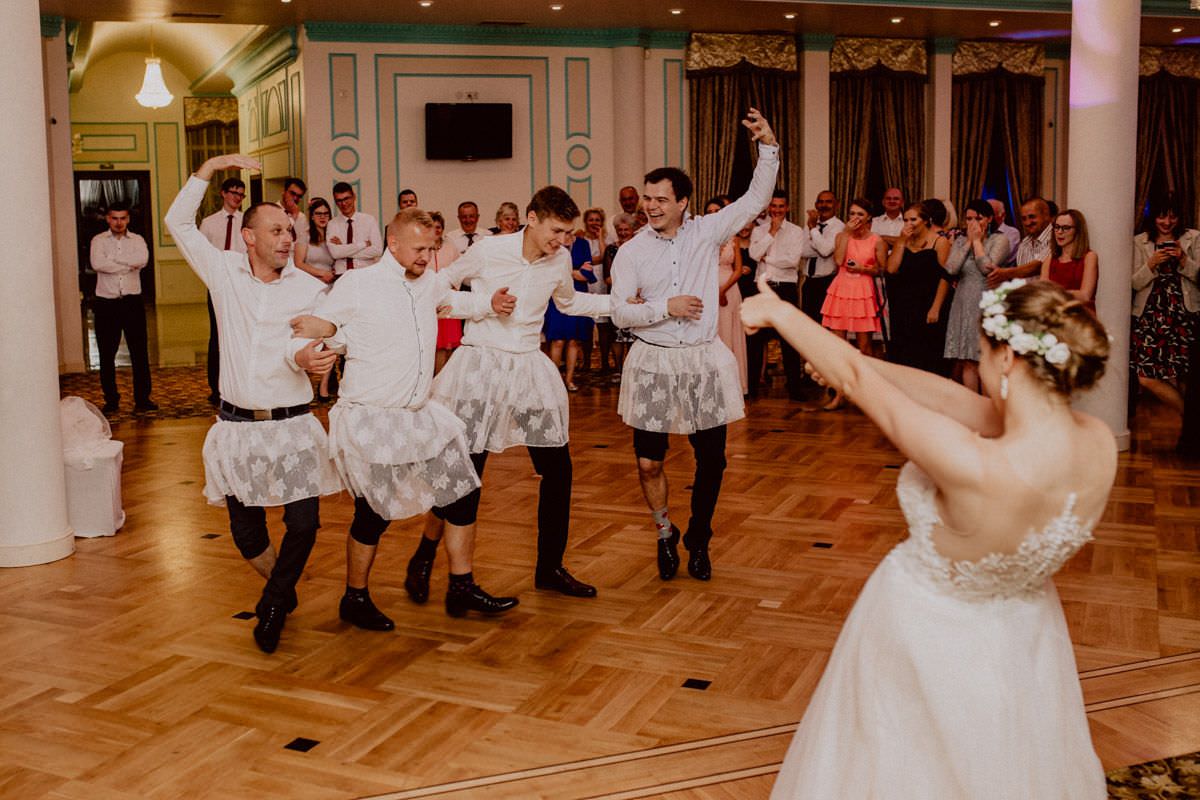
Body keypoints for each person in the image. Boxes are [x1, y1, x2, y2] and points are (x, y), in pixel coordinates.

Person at [742, 277, 1115, 799]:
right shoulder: (1099, 445)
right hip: (1024, 637)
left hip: (926, 638)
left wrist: (782, 316)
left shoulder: (973, 463)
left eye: (983, 353)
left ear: (1007, 359)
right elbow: (942, 395)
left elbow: (857, 383)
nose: (979, 364)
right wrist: (846, 357)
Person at [291, 208, 518, 625]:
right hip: (372, 418)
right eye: (418, 249)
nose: (426, 256)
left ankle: (461, 587)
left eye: (431, 249)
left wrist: (490, 302)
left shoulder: (428, 282)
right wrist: (322, 332)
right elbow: (331, 326)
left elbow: (451, 301)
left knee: (462, 494)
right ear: (392, 244)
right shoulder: (358, 284)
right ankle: (354, 597)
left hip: (419, 415)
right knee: (373, 514)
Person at [164, 154, 341, 654]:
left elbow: (334, 334)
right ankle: (281, 590)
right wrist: (209, 167)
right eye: (278, 229)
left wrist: (318, 352)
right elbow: (176, 221)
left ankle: (273, 602)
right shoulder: (223, 274)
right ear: (248, 236)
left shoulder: (311, 288)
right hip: (238, 428)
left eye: (291, 230)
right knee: (247, 536)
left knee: (304, 525)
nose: (288, 238)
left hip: (293, 426)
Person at [407, 186, 614, 604]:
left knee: (559, 471)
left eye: (568, 233)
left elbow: (572, 304)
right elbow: (437, 289)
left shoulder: (558, 260)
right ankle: (427, 554)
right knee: (465, 475)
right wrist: (484, 303)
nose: (563, 241)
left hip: (528, 373)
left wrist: (639, 308)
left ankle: (549, 568)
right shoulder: (488, 250)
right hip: (481, 370)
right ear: (533, 219)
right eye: (557, 231)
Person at [611, 108, 778, 583]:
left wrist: (767, 146)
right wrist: (665, 306)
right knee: (648, 462)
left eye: (662, 199)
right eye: (648, 199)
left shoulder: (708, 232)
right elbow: (621, 311)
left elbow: (755, 199)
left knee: (713, 461)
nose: (652, 206)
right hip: (654, 362)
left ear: (684, 202)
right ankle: (664, 531)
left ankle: (699, 539)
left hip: (702, 361)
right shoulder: (632, 251)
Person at [1131, 198, 1200, 415]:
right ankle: (1192, 421)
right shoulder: (1139, 242)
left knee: (1186, 376)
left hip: (1184, 314)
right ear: (1153, 218)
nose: (1167, 222)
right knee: (1146, 376)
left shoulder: (1193, 238)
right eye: (1162, 216)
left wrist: (1183, 260)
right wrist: (1151, 264)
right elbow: (1132, 283)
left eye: (1172, 216)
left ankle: (1190, 434)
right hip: (1150, 316)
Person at [90, 201, 156, 415]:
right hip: (106, 303)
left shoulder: (138, 240)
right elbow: (98, 264)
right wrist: (129, 263)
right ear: (108, 219)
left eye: (123, 218)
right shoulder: (98, 241)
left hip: (132, 302)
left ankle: (143, 398)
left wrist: (114, 260)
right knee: (107, 354)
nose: (119, 223)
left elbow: (143, 260)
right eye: (114, 218)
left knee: (139, 353)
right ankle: (111, 399)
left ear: (128, 219)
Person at [821, 198, 888, 410]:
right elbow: (839, 261)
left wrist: (862, 268)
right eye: (852, 214)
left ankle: (866, 396)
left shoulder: (877, 240)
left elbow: (881, 269)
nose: (855, 218)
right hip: (841, 288)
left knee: (865, 347)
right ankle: (839, 394)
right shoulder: (842, 236)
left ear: (869, 217)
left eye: (859, 214)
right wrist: (847, 235)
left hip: (863, 289)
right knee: (837, 346)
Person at [943, 199, 1011, 392]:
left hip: (987, 302)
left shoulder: (1000, 240)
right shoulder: (959, 241)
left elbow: (987, 268)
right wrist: (967, 244)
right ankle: (973, 407)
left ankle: (988, 409)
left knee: (986, 361)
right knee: (967, 360)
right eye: (968, 219)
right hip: (963, 302)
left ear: (989, 219)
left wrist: (977, 243)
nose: (972, 223)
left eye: (978, 218)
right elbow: (951, 268)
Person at [748, 190, 807, 399]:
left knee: (789, 339)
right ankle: (752, 389)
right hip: (762, 286)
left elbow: (792, 262)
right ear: (768, 207)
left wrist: (768, 259)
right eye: (773, 206)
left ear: (788, 207)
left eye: (781, 206)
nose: (777, 210)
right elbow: (754, 255)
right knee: (755, 340)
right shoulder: (759, 231)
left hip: (785, 288)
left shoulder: (796, 231)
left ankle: (794, 389)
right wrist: (771, 233)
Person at [885, 202, 951, 375]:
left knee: (927, 353)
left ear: (926, 220)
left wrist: (936, 307)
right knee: (905, 354)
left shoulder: (940, 241)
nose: (909, 224)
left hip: (928, 303)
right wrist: (900, 242)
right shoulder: (904, 242)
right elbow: (891, 269)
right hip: (904, 305)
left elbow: (945, 277)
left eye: (913, 219)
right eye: (905, 220)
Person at [198, 177, 246, 406]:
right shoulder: (209, 223)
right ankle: (216, 387)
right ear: (223, 193)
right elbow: (201, 255)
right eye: (234, 193)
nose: (237, 198)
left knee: (241, 334)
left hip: (243, 285)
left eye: (241, 194)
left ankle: (238, 384)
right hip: (218, 285)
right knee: (217, 336)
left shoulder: (247, 221)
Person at [544, 227, 597, 392]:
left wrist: (567, 272)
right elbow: (549, 273)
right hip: (556, 296)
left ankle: (569, 379)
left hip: (577, 294)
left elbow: (585, 275)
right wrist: (574, 272)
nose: (566, 234)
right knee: (558, 340)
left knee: (574, 340)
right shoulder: (551, 243)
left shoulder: (582, 244)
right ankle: (554, 382)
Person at [989, 196, 1052, 288]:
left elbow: (1038, 266)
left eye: (1032, 217)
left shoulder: (1056, 238)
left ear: (1046, 215)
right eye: (1024, 219)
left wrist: (1005, 273)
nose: (1027, 222)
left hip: (1047, 298)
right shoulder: (1024, 243)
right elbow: (1021, 277)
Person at [429, 211, 465, 375]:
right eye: (432, 227)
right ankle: (435, 382)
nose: (436, 230)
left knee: (450, 346)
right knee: (437, 347)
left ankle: (448, 383)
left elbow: (458, 270)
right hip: (431, 303)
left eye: (439, 227)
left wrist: (452, 287)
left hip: (449, 301)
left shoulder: (450, 248)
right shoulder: (423, 249)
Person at [602, 212, 637, 379]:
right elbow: (607, 278)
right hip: (617, 296)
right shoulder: (611, 250)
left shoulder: (640, 248)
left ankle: (631, 370)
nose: (623, 232)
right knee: (616, 334)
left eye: (626, 229)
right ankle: (618, 369)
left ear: (633, 229)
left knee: (633, 336)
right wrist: (624, 285)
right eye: (620, 230)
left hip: (637, 298)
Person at [1041, 209, 1098, 308]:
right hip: (1055, 315)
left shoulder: (1089, 257)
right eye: (1057, 227)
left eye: (1066, 228)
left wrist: (1055, 294)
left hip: (1080, 316)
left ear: (1078, 231)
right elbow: (1042, 290)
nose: (1059, 232)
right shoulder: (1050, 259)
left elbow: (1085, 296)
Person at [327, 183, 383, 274]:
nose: (343, 203)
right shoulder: (332, 224)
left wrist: (344, 249)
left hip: (366, 273)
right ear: (335, 202)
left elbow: (377, 250)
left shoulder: (369, 220)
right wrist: (363, 244)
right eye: (339, 200)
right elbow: (335, 253)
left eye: (346, 198)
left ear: (354, 197)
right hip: (342, 275)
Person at [989, 198, 1021, 263]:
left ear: (1003, 215)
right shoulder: (982, 231)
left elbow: (995, 260)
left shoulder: (1012, 233)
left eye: (990, 215)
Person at [281, 177, 308, 246]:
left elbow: (303, 241)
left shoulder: (302, 217)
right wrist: (294, 216)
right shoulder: (272, 211)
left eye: (299, 196)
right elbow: (281, 234)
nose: (295, 198)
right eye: (292, 193)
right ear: (284, 191)